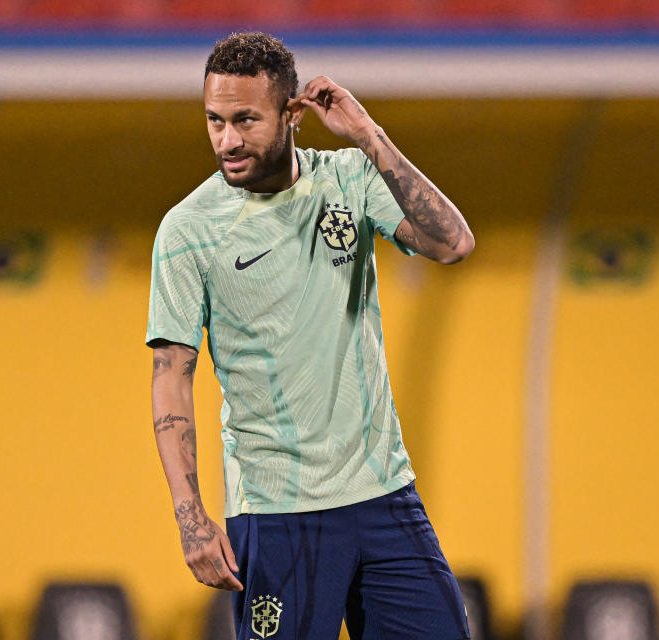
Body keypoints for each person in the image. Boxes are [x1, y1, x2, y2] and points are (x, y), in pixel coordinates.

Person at [146, 31, 474, 640]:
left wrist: (370, 136)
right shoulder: (188, 229)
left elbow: (454, 244)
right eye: (215, 120)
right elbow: (172, 376)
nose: (227, 140)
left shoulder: (350, 178)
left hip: (383, 493)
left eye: (246, 119)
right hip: (277, 512)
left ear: (292, 114)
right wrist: (190, 517)